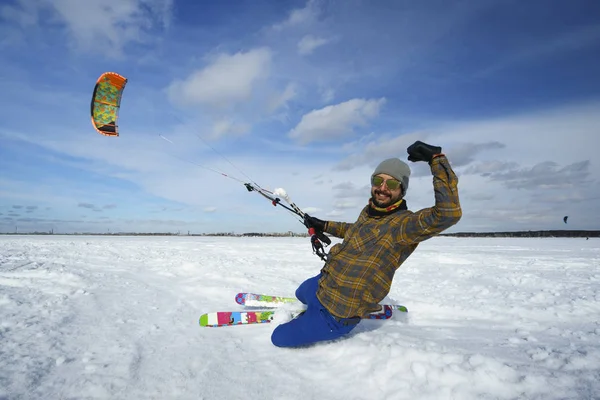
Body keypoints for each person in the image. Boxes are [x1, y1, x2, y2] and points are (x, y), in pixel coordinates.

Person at [271, 140, 462, 348]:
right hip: (325, 285)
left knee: (279, 337)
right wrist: (323, 224)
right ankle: (311, 308)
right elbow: (352, 230)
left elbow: (448, 214)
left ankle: (316, 322)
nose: (382, 188)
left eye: (391, 184)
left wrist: (436, 160)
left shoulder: (405, 226)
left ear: (402, 190)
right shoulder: (370, 212)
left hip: (337, 313)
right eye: (378, 180)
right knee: (300, 292)